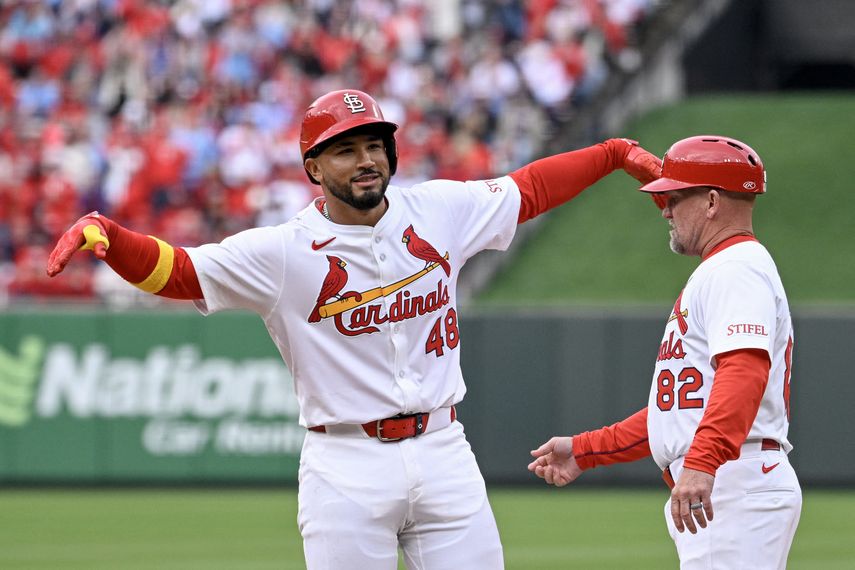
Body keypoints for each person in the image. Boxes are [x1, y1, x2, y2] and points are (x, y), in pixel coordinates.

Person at [46, 89, 661, 569]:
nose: (366, 160)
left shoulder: (439, 210)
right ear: (313, 167)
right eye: (345, 150)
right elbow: (180, 272)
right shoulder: (284, 251)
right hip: (345, 463)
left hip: (444, 448)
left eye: (374, 145)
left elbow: (530, 190)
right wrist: (111, 236)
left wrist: (612, 153)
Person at [528, 135, 801, 569]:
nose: (665, 210)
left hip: (734, 477)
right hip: (730, 476)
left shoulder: (736, 269)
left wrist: (702, 462)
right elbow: (675, 413)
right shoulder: (724, 268)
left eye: (674, 198)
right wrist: (585, 449)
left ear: (712, 202)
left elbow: (743, 373)